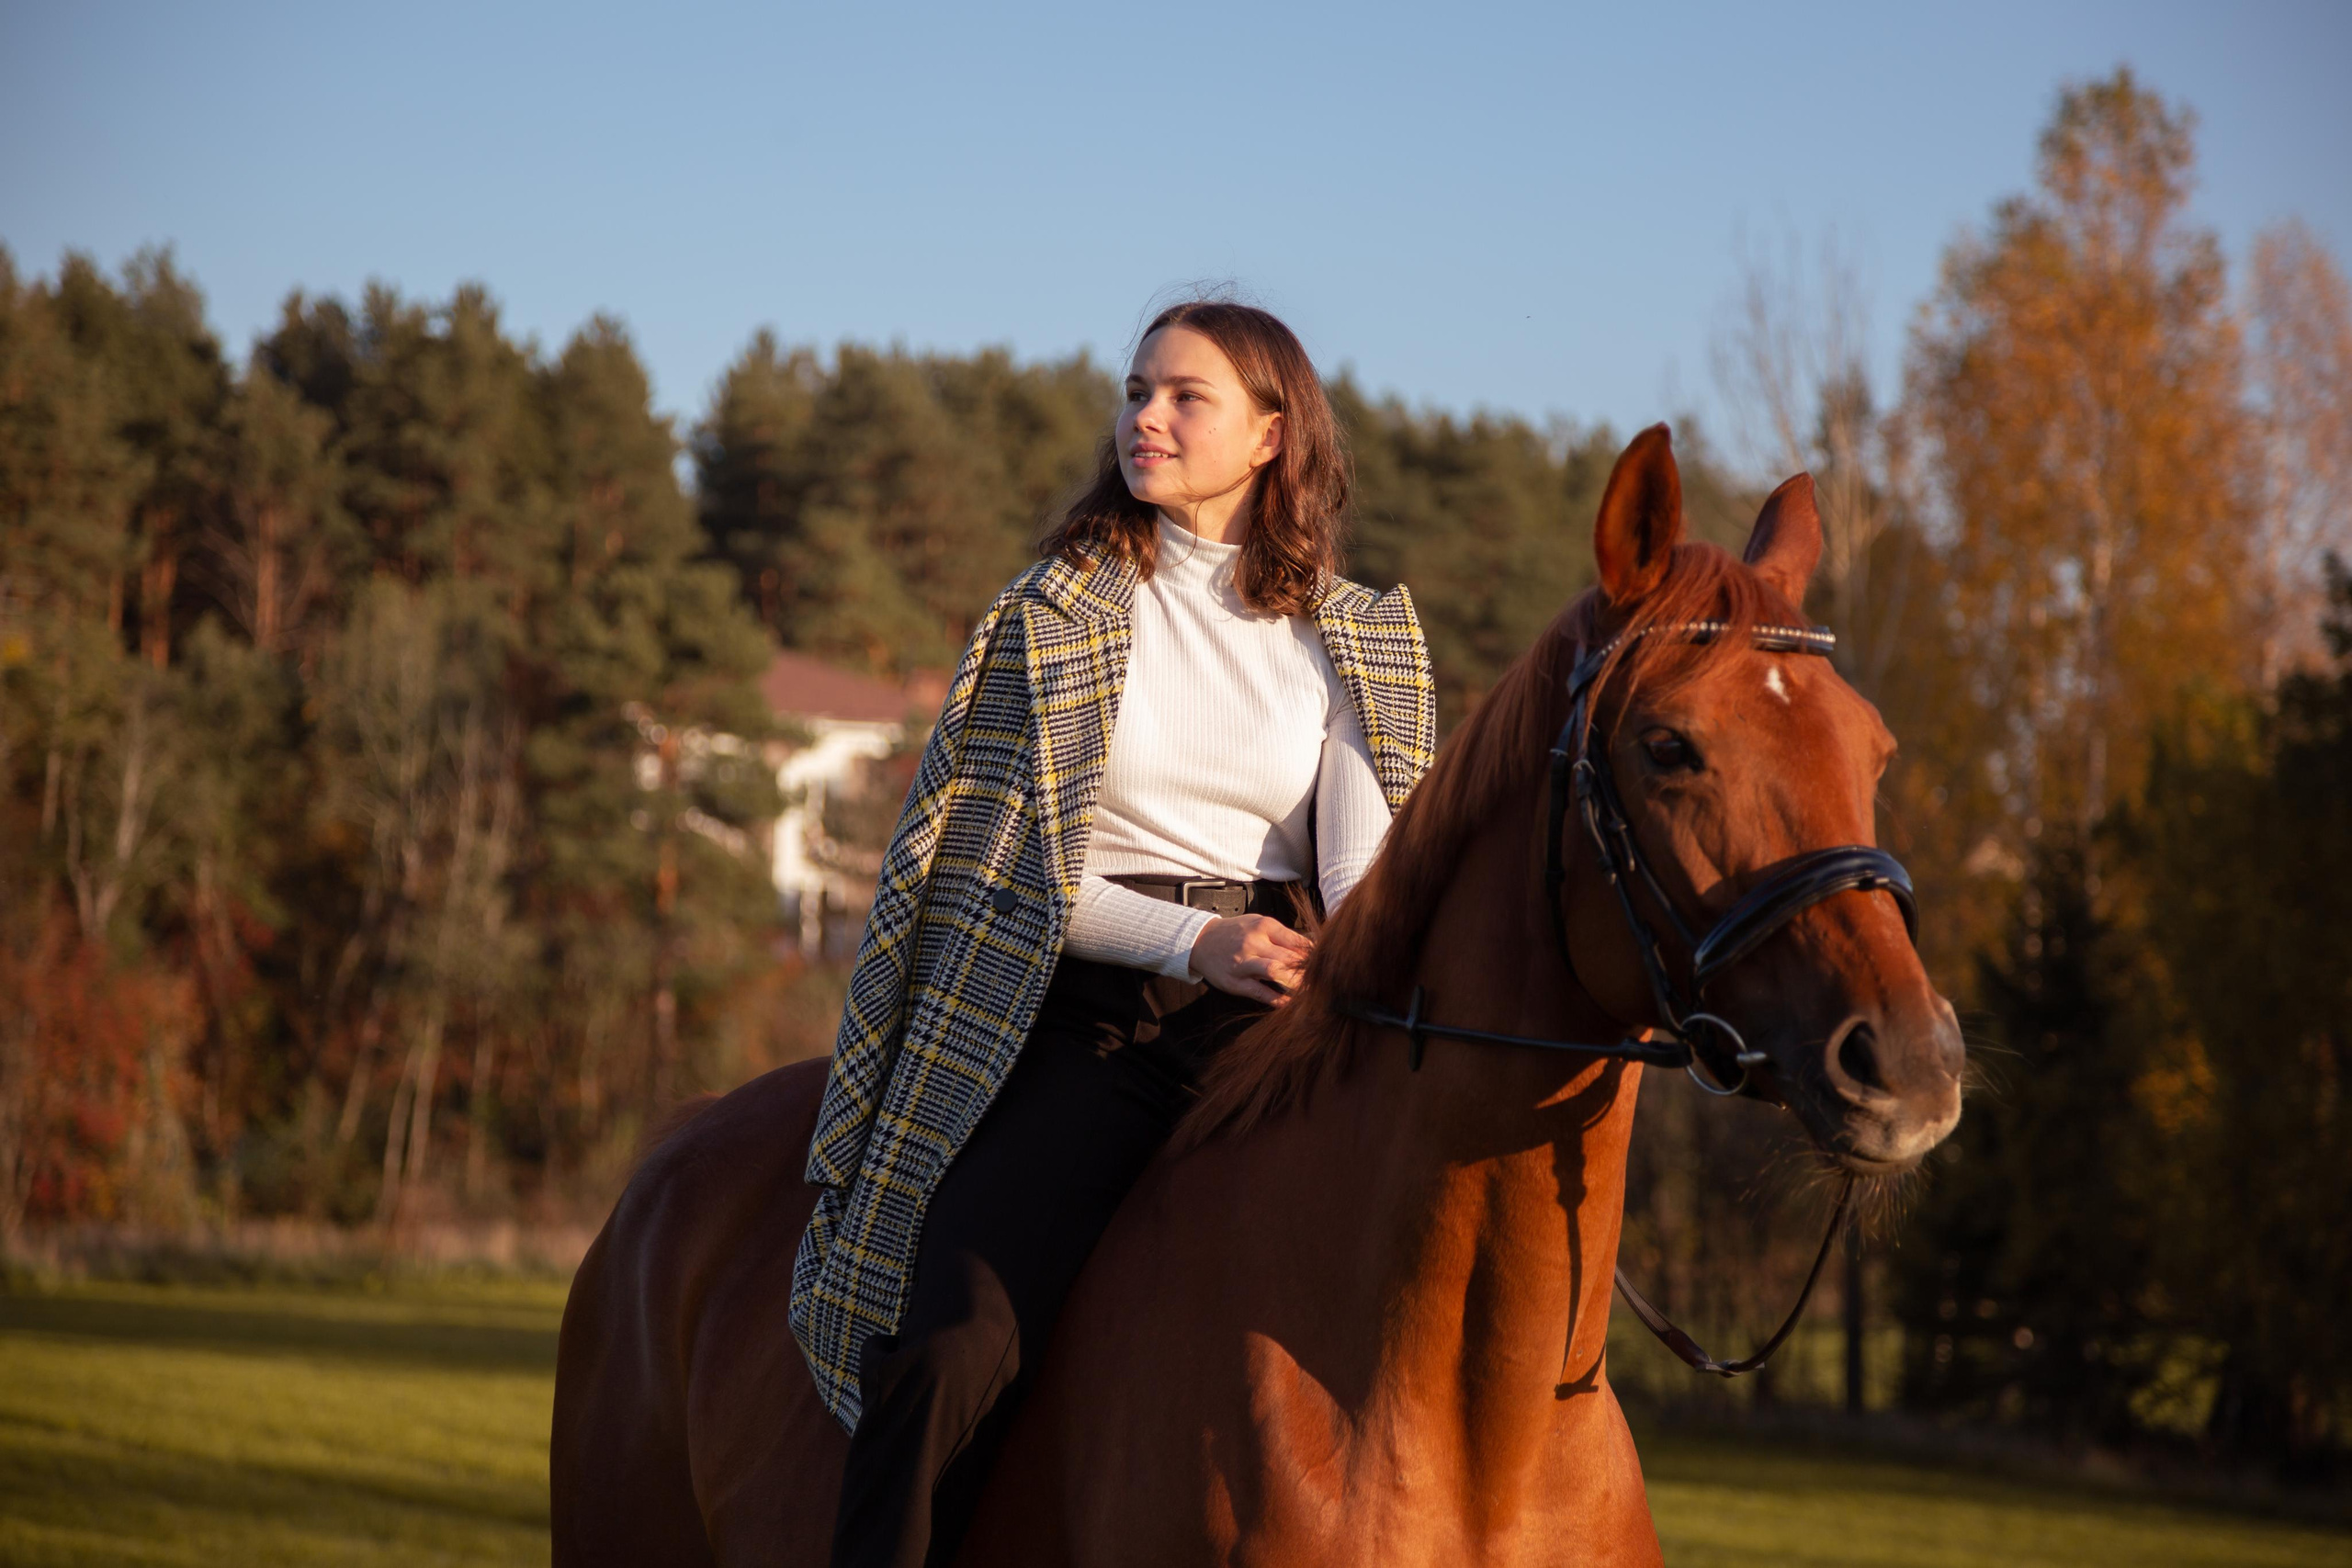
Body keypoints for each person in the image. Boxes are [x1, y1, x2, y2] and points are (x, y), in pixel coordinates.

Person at [790, 300, 1435, 1568]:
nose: (1146, 417)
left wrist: (1337, 965)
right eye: (1138, 390)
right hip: (1094, 1022)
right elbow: (1002, 871)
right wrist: (1191, 945)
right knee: (950, 1346)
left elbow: (1361, 874)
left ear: (1271, 434)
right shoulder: (1054, 614)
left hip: (1285, 1029)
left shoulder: (1357, 635)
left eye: (1185, 396)